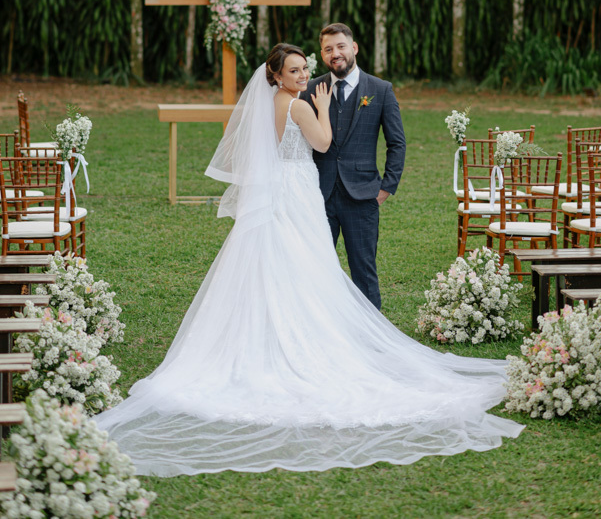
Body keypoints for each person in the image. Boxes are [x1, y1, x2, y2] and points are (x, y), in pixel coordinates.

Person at [95, 44, 523, 475]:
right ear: (277, 76)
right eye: (295, 71)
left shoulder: (268, 106)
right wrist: (319, 107)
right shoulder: (300, 105)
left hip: (280, 192)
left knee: (278, 267)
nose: (304, 76)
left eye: (306, 69)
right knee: (308, 268)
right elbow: (324, 141)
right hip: (297, 194)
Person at [302, 23, 405, 309]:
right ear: (322, 55)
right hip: (318, 196)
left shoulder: (380, 90)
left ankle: (372, 341)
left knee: (364, 271)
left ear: (354, 48)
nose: (336, 53)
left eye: (341, 46)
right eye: (328, 49)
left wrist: (386, 187)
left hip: (363, 196)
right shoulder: (311, 89)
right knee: (315, 269)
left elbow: (396, 143)